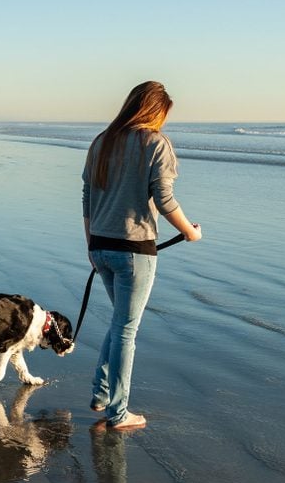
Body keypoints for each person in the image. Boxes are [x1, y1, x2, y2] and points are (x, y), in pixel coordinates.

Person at [82, 81, 202, 430]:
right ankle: (118, 413)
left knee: (120, 323)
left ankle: (101, 395)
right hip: (134, 251)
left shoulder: (102, 141)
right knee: (125, 330)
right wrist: (190, 232)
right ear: (155, 111)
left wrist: (90, 243)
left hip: (101, 246)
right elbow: (164, 199)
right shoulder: (155, 144)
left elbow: (88, 195)